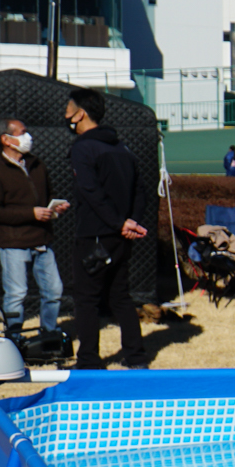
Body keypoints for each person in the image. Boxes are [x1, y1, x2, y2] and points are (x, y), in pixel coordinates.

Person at [64, 88, 151, 369]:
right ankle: (136, 356)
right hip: (120, 237)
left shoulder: (83, 148)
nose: (65, 115)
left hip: (94, 235)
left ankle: (88, 360)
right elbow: (141, 190)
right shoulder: (122, 148)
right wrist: (130, 223)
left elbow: (90, 190)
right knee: (120, 296)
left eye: (68, 109)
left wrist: (118, 222)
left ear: (81, 114)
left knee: (87, 299)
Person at [0, 116, 68, 341]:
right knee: (17, 294)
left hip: (42, 240)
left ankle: (49, 334)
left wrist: (56, 208)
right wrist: (31, 213)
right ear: (5, 139)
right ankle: (14, 338)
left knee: (54, 292)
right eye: (21, 133)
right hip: (13, 243)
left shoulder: (37, 164)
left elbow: (46, 198)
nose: (28, 137)